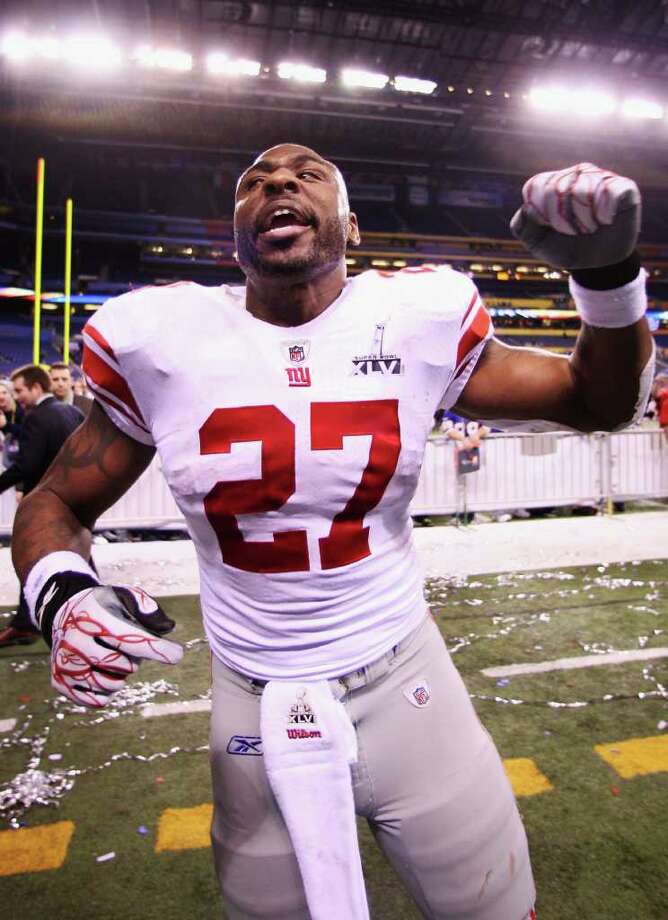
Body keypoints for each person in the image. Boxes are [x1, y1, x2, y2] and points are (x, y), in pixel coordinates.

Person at [10, 149, 653, 920]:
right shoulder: (162, 341)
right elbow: (57, 501)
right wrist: (62, 594)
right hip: (252, 694)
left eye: (307, 173)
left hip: (404, 676)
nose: (278, 181)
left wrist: (608, 281)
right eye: (254, 181)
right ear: (236, 237)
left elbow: (597, 400)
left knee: (498, 907)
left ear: (352, 225)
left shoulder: (416, 317)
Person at [0, 365, 85, 646]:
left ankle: (29, 624)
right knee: (77, 559)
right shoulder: (72, 412)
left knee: (30, 559)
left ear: (36, 387)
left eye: (20, 390)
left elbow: (28, 465)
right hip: (73, 501)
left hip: (44, 503)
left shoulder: (38, 417)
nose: (17, 397)